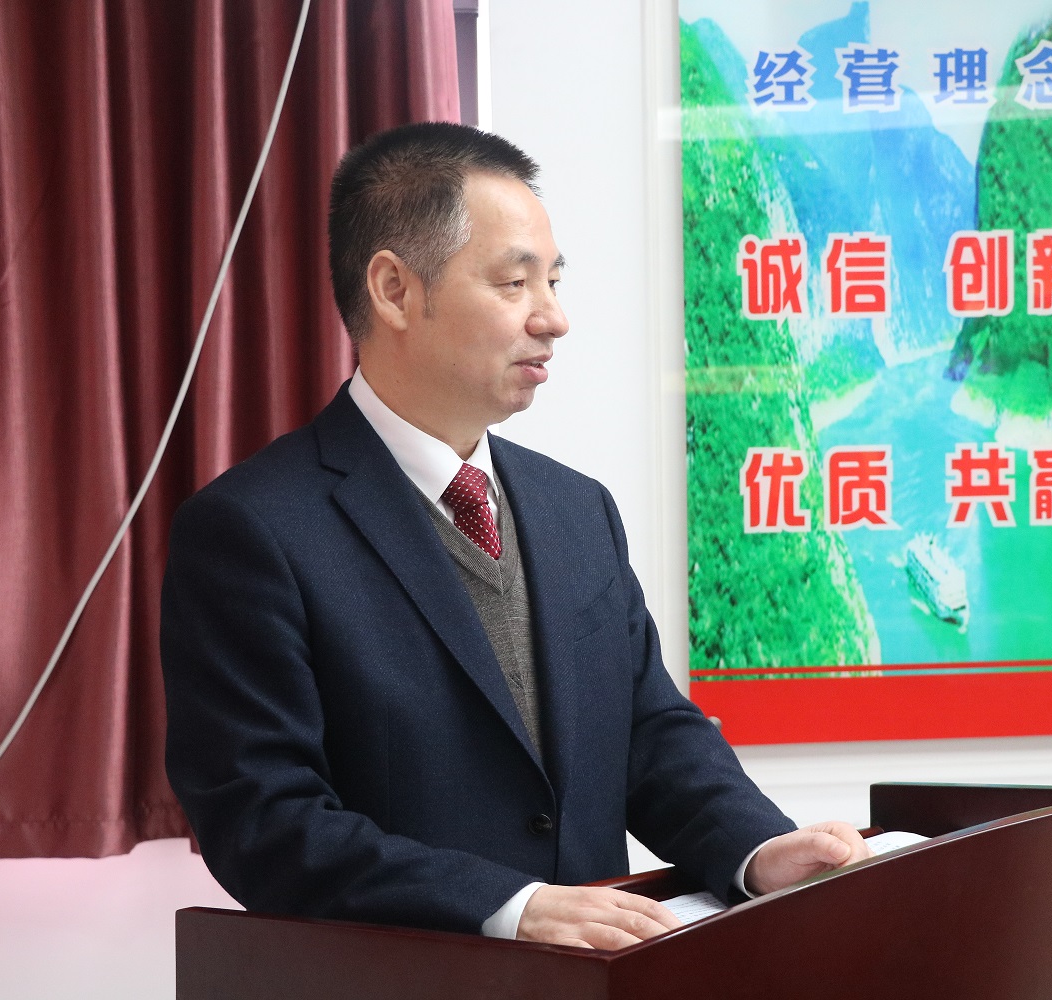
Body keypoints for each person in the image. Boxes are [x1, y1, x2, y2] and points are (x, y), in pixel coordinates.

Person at [160, 121, 869, 950]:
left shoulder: (577, 509)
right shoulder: (253, 531)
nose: (554, 319)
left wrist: (757, 849)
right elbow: (265, 822)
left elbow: (648, 734)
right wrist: (509, 906)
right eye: (514, 283)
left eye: (555, 282)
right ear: (393, 290)